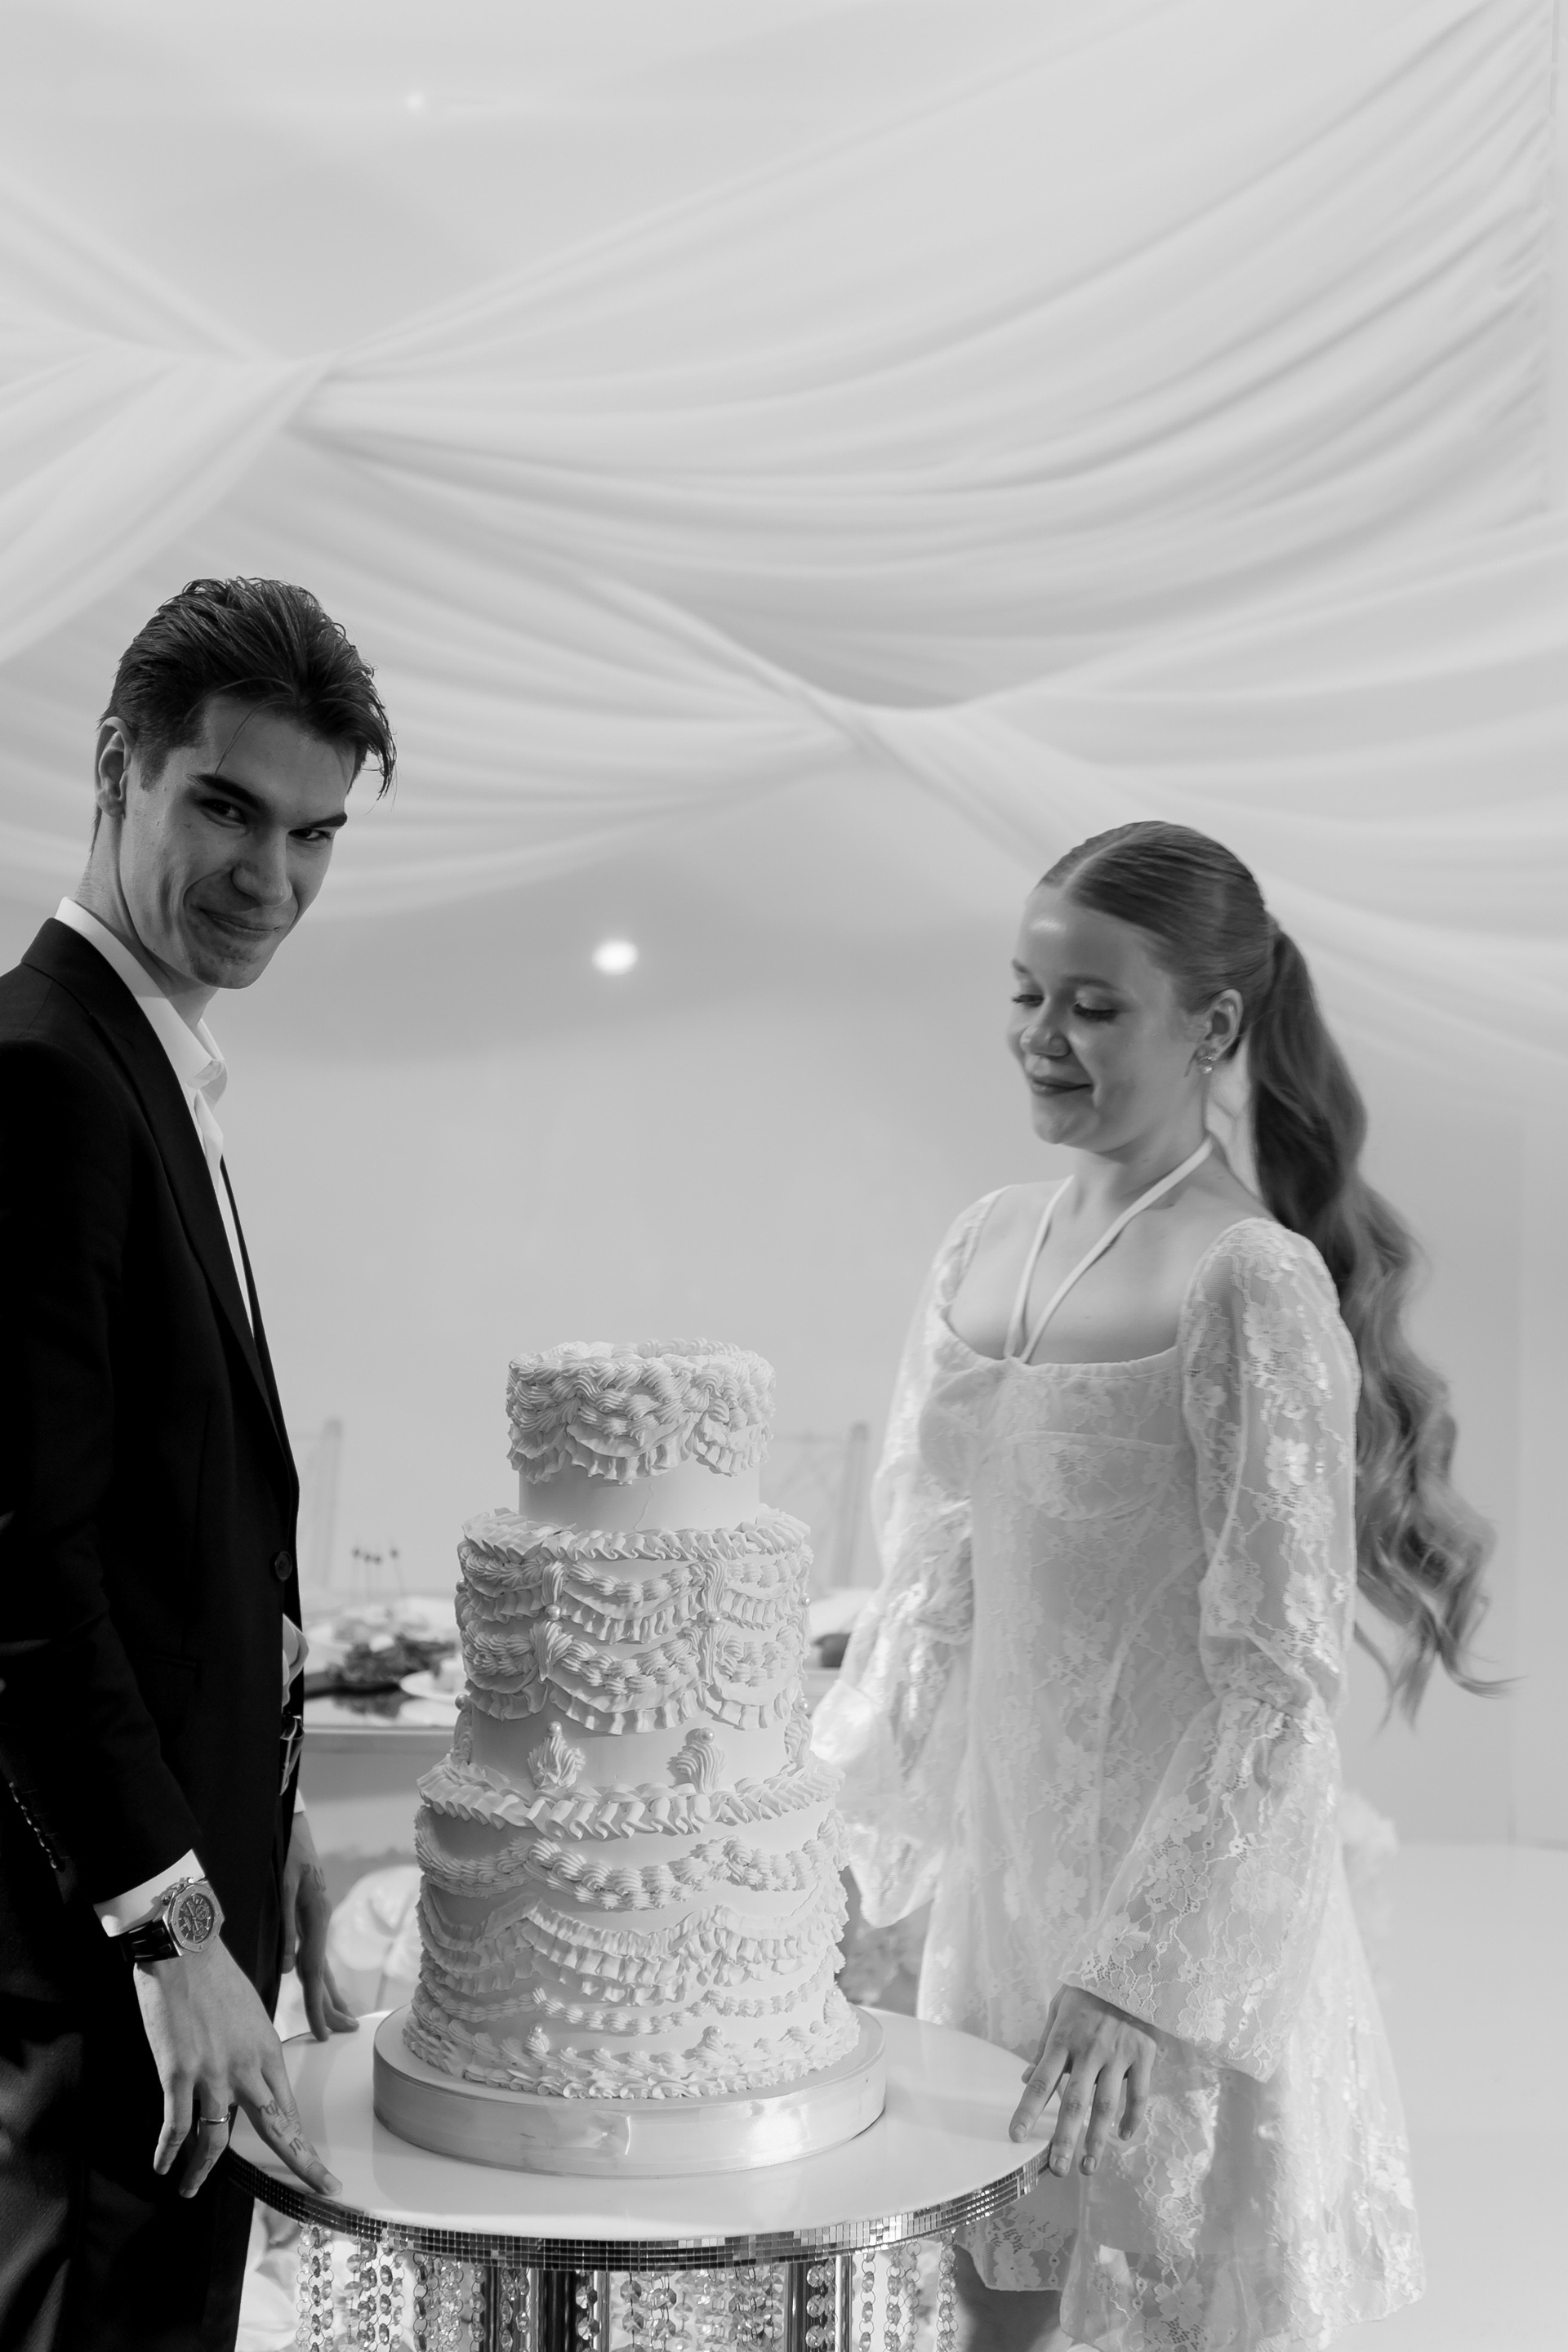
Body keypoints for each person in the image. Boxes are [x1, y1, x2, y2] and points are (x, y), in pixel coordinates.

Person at [813, 822, 1498, 2352]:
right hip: (999, 1905)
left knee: (1159, 2307)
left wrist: (1144, 1981)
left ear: (1214, 1025)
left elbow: (1279, 1685)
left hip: (1173, 1942)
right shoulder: (983, 1243)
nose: (1040, 1038)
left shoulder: (1248, 1277)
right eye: (1025, 994)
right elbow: (933, 1584)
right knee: (989, 2307)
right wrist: (840, 1839)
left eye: (1093, 1006)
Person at [0, 578, 396, 2351]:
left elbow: (178, 1548)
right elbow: (26, 1568)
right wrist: (170, 1930)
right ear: (118, 769)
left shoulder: (148, 1066)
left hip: (172, 1910)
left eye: (314, 835)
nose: (271, 879)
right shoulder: (47, 1077)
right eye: (227, 809)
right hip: (102, 1970)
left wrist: (259, 1821)